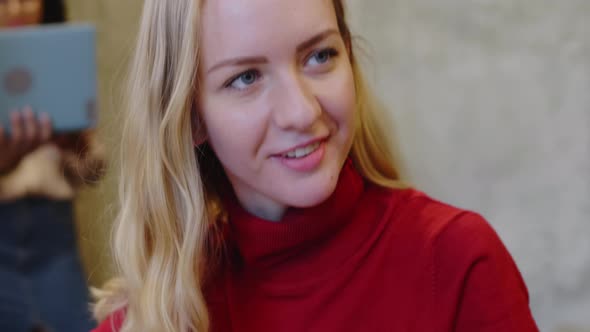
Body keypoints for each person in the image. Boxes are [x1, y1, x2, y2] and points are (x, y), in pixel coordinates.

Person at [92, 0, 539, 331]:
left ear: (349, 54)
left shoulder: (456, 259)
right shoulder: (151, 316)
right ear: (191, 117)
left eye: (319, 56)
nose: (302, 112)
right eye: (246, 77)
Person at [0, 0, 103, 331]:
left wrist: (78, 148)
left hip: (55, 239)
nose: (17, 10)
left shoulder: (61, 61)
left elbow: (93, 172)